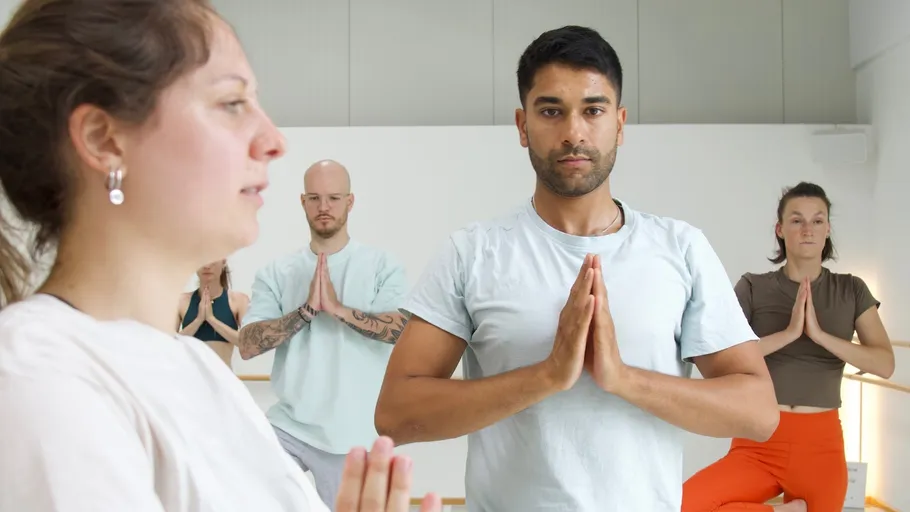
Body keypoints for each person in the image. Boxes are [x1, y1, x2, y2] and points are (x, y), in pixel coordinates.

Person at [0, 1, 439, 511]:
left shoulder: (201, 373)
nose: (274, 141)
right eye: (232, 103)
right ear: (104, 139)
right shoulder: (37, 375)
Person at [373, 25, 781, 512]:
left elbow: (758, 413)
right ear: (522, 125)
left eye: (593, 110)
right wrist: (547, 375)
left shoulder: (681, 248)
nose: (573, 133)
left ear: (620, 123)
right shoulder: (472, 252)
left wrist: (622, 377)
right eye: (551, 111)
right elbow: (396, 414)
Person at [681, 182, 895, 512]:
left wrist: (820, 336)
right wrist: (789, 334)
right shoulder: (753, 286)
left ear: (827, 229)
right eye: (797, 220)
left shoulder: (851, 289)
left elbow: (884, 364)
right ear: (780, 229)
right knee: (683, 505)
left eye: (817, 220)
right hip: (758, 441)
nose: (808, 229)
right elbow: (720, 359)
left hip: (821, 447)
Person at [237, 159, 409, 510]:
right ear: (303, 202)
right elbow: (248, 344)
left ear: (350, 201)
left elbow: (401, 331)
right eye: (314, 198)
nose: (324, 207)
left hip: (354, 436)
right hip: (289, 427)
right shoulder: (277, 271)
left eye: (333, 198)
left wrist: (339, 310)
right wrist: (305, 312)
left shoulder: (382, 266)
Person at [178, 259, 250, 366]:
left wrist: (212, 319)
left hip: (222, 375)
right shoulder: (181, 301)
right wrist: (198, 320)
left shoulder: (239, 300)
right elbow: (168, 345)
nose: (207, 266)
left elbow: (248, 344)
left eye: (212, 259)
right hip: (189, 375)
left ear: (223, 261)